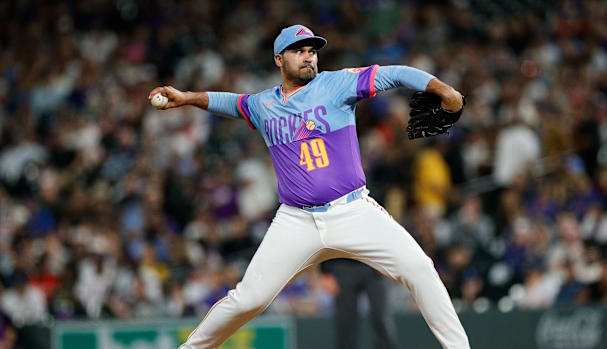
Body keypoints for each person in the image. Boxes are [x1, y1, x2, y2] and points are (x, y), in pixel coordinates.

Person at [149, 24, 469, 349]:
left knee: (419, 269)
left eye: (312, 51)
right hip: (296, 221)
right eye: (299, 50)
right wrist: (188, 98)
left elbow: (395, 73)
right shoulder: (264, 105)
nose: (308, 56)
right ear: (279, 59)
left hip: (352, 210)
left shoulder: (336, 84)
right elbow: (232, 102)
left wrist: (442, 89)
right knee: (248, 300)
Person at [322, 259, 399, 349]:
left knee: (381, 318)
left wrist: (385, 262)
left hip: (374, 264)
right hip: (342, 263)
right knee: (345, 323)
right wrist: (325, 271)